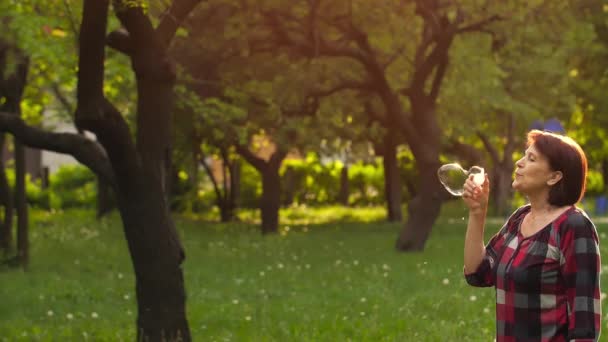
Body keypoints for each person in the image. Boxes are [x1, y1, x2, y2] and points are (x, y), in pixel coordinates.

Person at [462, 129, 601, 341]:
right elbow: (478, 273)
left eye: (532, 158)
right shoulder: (520, 218)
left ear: (554, 177)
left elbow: (585, 325)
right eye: (524, 155)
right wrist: (477, 212)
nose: (519, 162)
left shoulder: (574, 226)